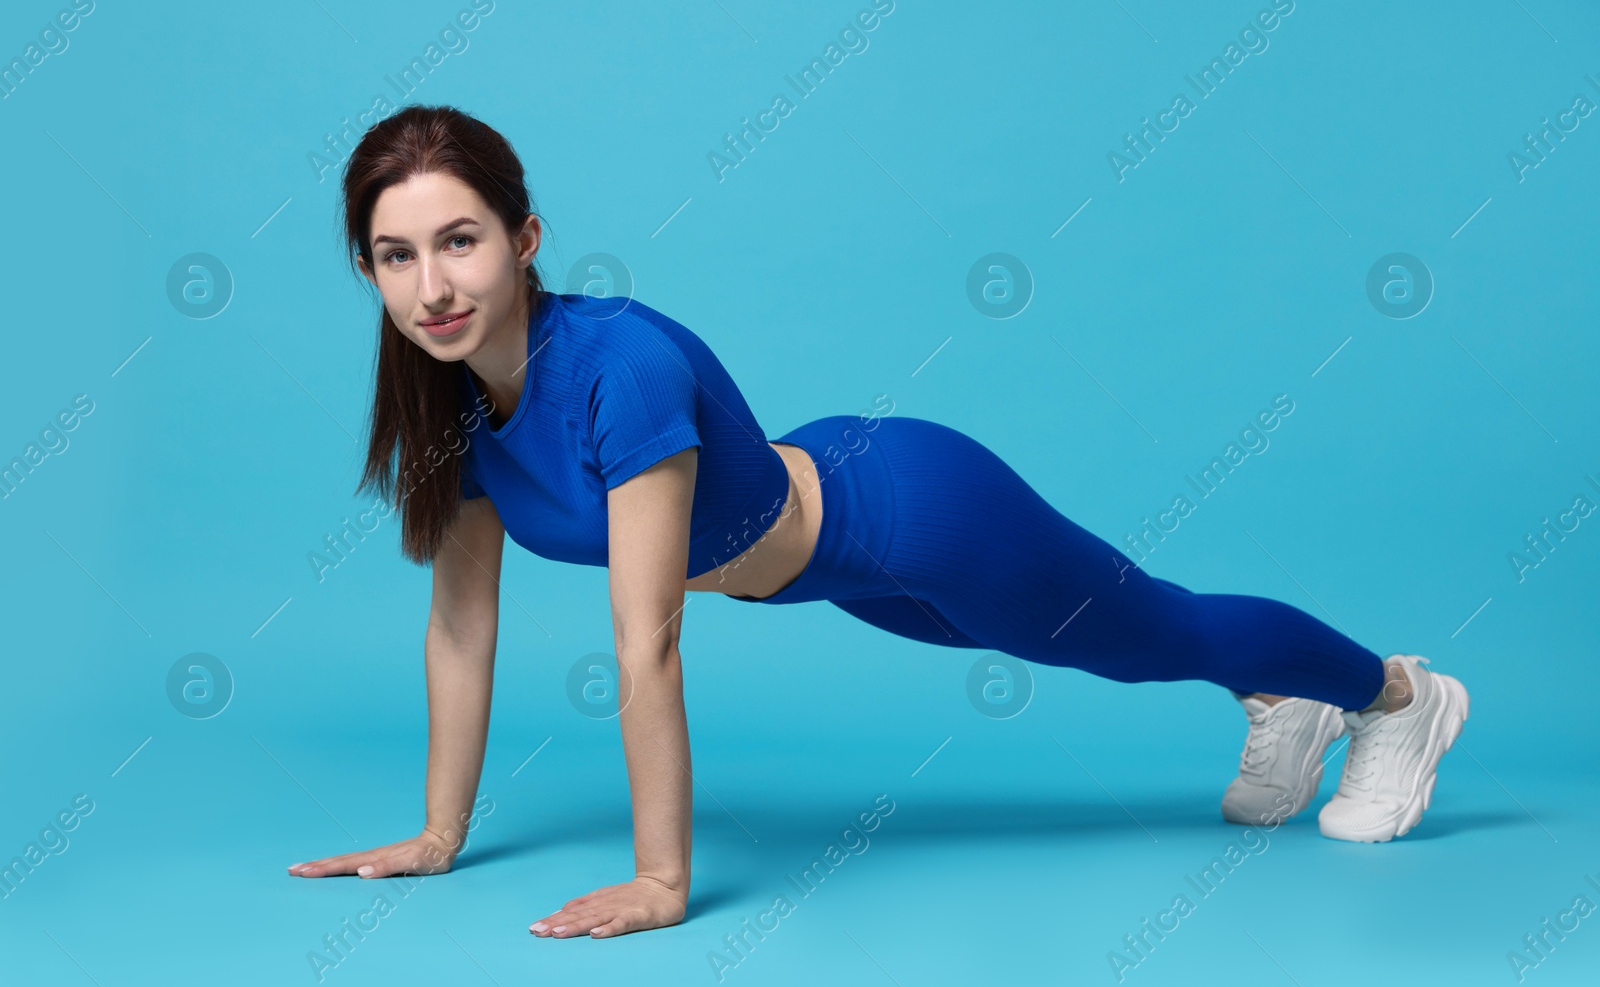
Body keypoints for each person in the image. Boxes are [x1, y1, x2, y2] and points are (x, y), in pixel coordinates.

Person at [285, 104, 1470, 939]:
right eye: (397, 256)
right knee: (1127, 644)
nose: (433, 287)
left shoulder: (616, 368)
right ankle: (1285, 693)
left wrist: (660, 876)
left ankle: (1395, 695)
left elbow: (643, 642)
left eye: (459, 241)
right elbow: (459, 630)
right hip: (830, 569)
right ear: (366, 271)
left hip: (916, 516)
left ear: (523, 239)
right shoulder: (446, 406)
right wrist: (438, 834)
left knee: (1154, 634)